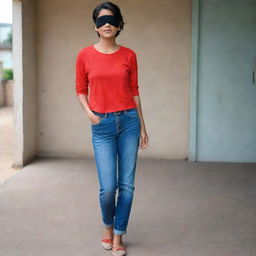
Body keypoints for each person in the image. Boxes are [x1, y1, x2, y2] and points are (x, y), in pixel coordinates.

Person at [75, 2, 149, 255]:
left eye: (112, 19)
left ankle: (118, 235)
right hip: (102, 125)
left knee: (126, 185)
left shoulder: (129, 55)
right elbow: (80, 90)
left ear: (119, 25)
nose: (107, 24)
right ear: (95, 26)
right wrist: (90, 114)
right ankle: (107, 226)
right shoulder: (84, 55)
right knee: (108, 187)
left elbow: (135, 91)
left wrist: (142, 127)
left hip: (129, 121)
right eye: (101, 20)